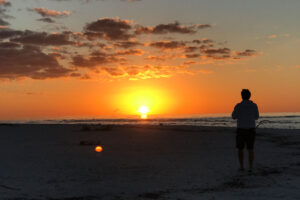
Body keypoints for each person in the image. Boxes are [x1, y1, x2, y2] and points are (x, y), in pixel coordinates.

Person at [232, 89, 259, 172]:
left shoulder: (238, 105)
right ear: (249, 96)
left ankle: (241, 166)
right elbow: (256, 117)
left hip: (241, 130)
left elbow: (233, 116)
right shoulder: (254, 105)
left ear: (241, 96)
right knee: (250, 149)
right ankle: (250, 167)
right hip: (251, 129)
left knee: (240, 149)